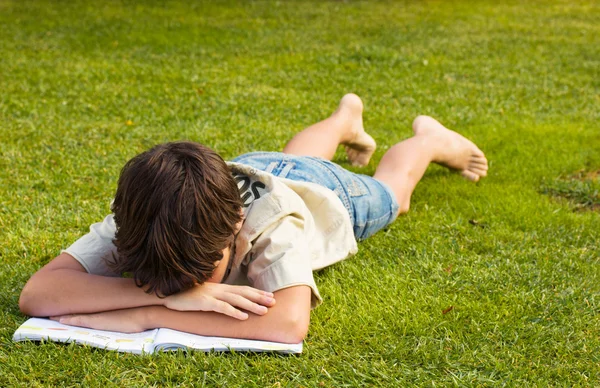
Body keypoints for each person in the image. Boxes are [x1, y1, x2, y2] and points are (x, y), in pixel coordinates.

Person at [18, 94, 488, 344]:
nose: (179, 289)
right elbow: (38, 293)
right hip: (256, 166)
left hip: (331, 195)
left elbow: (286, 324)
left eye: (198, 276)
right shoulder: (149, 216)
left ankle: (429, 139)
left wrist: (147, 313)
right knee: (291, 157)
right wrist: (179, 297)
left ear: (236, 228)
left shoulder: (272, 225)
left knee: (394, 193)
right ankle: (346, 118)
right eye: (160, 281)